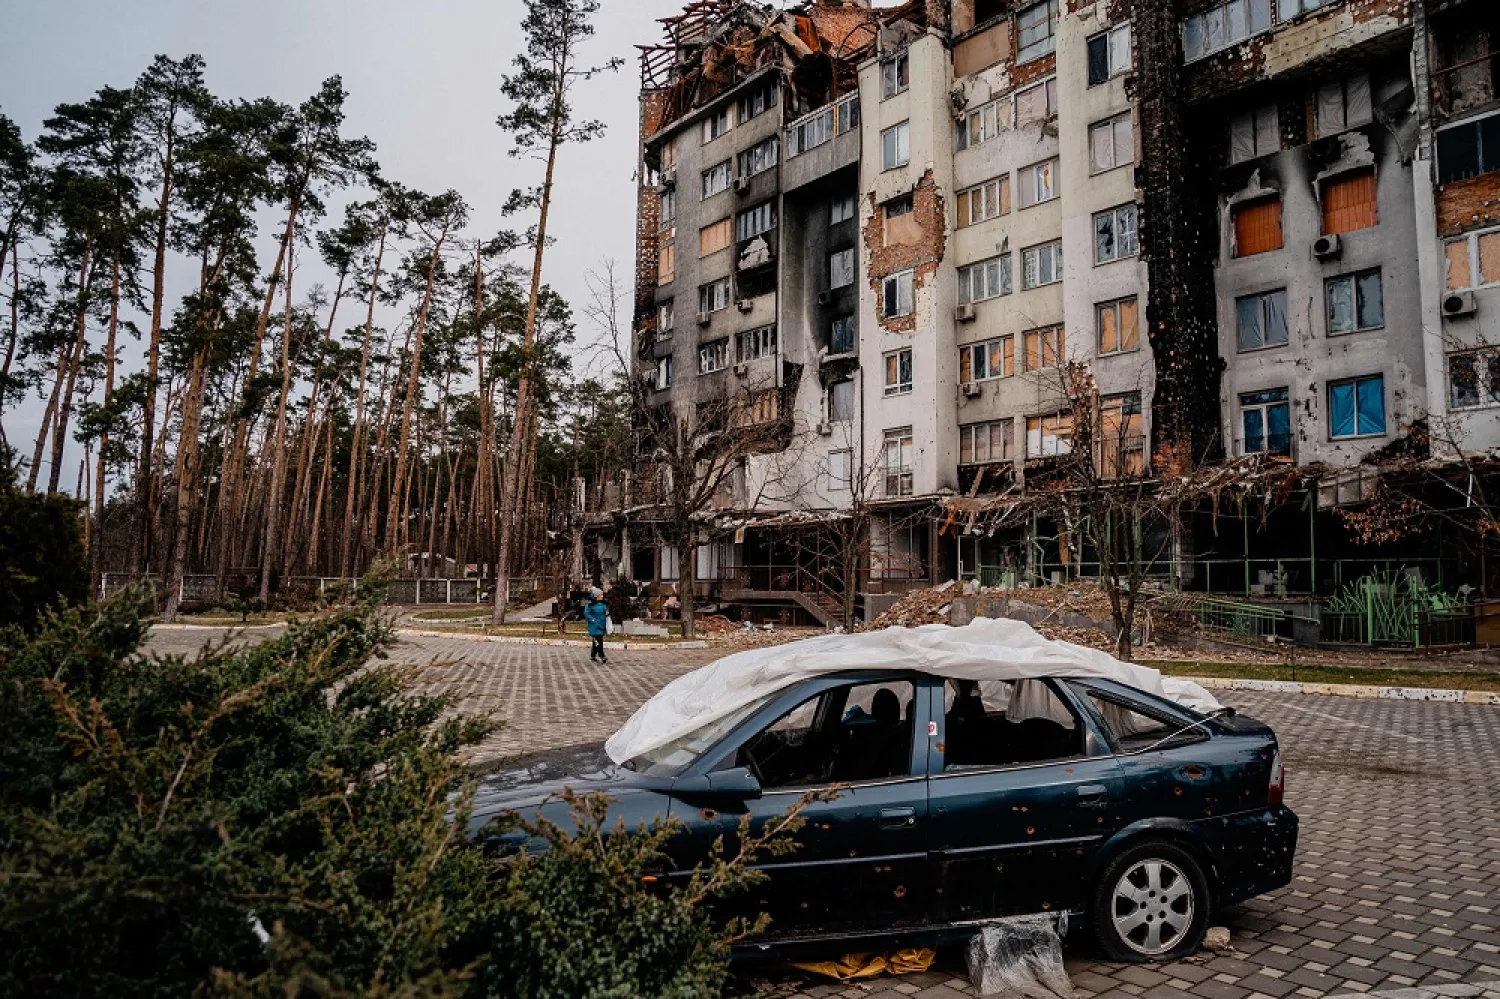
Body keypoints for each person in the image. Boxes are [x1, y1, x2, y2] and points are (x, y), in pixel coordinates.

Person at [583, 588, 610, 664]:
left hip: (602, 624)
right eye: (601, 595)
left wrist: (607, 612)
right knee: (598, 640)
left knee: (596, 640)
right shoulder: (590, 604)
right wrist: (592, 620)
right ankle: (602, 655)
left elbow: (606, 610)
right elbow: (586, 613)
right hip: (594, 625)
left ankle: (593, 655)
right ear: (596, 596)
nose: (602, 596)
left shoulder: (603, 603)